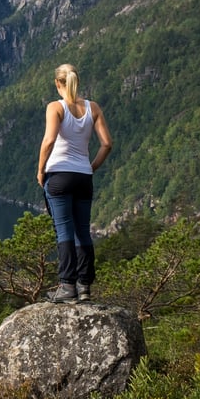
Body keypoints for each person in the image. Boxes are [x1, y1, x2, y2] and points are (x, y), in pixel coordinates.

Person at [37, 63, 113, 303]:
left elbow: (49, 141)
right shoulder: (93, 107)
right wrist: (90, 167)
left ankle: (66, 285)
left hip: (59, 176)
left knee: (64, 230)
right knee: (83, 231)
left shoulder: (55, 107)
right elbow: (107, 144)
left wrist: (40, 171)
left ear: (58, 83)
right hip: (83, 178)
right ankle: (85, 286)